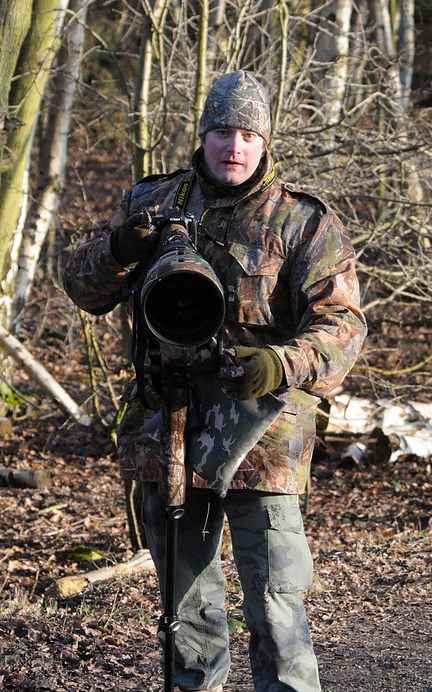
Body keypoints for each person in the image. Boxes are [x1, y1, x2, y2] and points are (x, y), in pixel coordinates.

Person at [63, 71, 367, 692]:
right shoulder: (156, 205)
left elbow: (343, 327)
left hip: (264, 436)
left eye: (248, 134)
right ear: (202, 136)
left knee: (276, 604)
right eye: (222, 131)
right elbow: (81, 286)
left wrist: (279, 364)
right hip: (168, 429)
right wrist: (120, 246)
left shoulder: (302, 222)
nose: (234, 146)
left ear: (265, 143)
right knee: (187, 613)